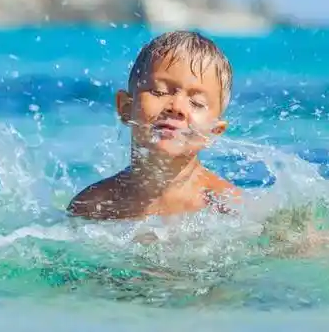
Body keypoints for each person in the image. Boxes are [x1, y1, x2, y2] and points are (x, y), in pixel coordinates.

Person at [67, 30, 241, 221]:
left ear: (214, 132)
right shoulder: (94, 206)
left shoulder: (226, 206)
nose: (176, 107)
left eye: (197, 103)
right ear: (126, 107)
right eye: (159, 92)